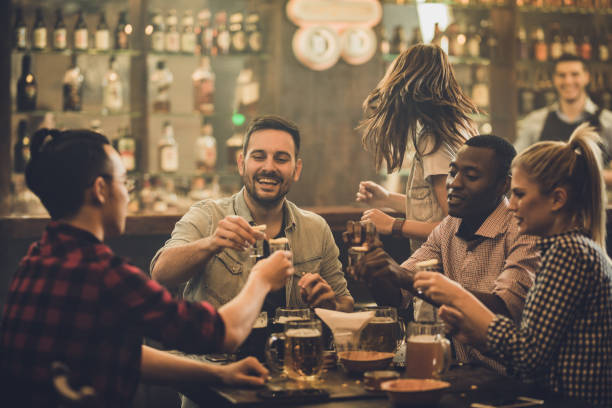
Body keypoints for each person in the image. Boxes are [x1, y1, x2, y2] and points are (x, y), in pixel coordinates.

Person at [0, 129, 294, 408]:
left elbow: (122, 354)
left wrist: (218, 375)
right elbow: (224, 333)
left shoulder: (37, 259)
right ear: (101, 190)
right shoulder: (104, 274)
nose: (128, 194)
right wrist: (262, 278)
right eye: (124, 181)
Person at [415, 124, 612, 407]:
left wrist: (456, 295)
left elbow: (527, 359)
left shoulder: (569, 253)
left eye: (520, 194)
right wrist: (477, 334)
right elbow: (533, 351)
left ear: (557, 199)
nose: (511, 205)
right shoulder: (569, 248)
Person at [351, 135, 538, 371]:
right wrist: (375, 266)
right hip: (462, 373)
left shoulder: (523, 230)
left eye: (471, 176)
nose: (454, 183)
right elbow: (395, 297)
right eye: (453, 173)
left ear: (504, 185)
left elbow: (504, 310)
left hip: (512, 382)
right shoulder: (449, 226)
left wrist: (404, 276)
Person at [151, 115, 353, 314]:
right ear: (241, 164)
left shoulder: (316, 229)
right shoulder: (208, 215)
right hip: (219, 347)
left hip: (293, 346)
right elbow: (160, 273)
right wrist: (212, 243)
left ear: (296, 169)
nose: (269, 167)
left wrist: (331, 305)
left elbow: (345, 302)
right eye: (258, 157)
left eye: (281, 159)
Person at [356, 43, 479, 252]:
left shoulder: (434, 140)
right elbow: (436, 209)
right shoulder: (459, 126)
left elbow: (456, 227)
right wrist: (387, 199)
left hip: (438, 268)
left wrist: (393, 225)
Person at [516, 53, 612, 185]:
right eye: (562, 75)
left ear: (586, 77)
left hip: (593, 204)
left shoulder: (607, 122)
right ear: (554, 79)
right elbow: (516, 164)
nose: (568, 81)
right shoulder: (535, 121)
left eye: (574, 74)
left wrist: (596, 175)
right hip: (546, 204)